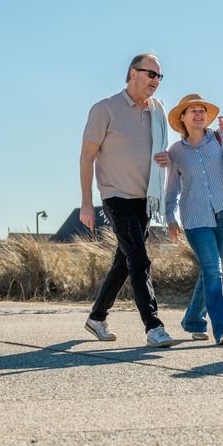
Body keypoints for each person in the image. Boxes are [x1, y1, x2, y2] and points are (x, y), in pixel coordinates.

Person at [80, 53, 175, 347]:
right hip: (115, 196)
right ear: (133, 73)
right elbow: (86, 156)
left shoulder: (157, 111)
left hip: (145, 199)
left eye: (159, 76)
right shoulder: (105, 108)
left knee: (124, 261)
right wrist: (86, 202)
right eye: (151, 74)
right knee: (139, 259)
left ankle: (97, 317)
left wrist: (166, 157)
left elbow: (158, 150)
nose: (156, 81)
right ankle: (154, 327)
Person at [164, 94, 223, 346]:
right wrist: (170, 219)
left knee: (212, 271)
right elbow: (172, 190)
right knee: (213, 270)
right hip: (195, 218)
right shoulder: (175, 152)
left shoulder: (218, 139)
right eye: (193, 111)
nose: (199, 114)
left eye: (202, 110)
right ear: (183, 118)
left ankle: (193, 320)